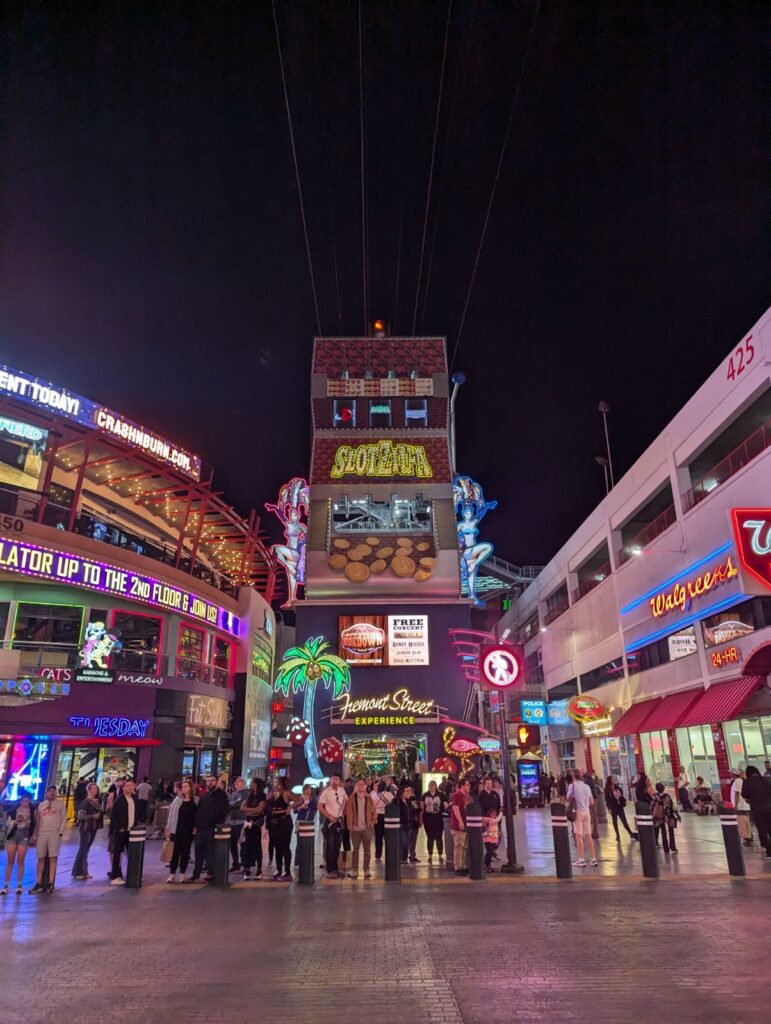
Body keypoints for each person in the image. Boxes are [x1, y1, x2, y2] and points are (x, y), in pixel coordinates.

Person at [189, 774, 228, 882]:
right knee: (198, 852)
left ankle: (210, 873)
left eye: (212, 781)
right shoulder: (204, 796)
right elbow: (199, 811)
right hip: (201, 828)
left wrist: (219, 824)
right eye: (208, 781)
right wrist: (196, 825)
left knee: (210, 852)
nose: (210, 783)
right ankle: (196, 874)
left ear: (216, 782)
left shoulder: (221, 795)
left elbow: (224, 811)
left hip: (212, 828)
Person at [29, 785, 67, 893]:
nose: (51, 793)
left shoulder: (60, 805)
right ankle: (39, 882)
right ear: (46, 793)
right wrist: (36, 834)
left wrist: (60, 832)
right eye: (49, 791)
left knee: (52, 858)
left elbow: (63, 819)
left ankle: (50, 882)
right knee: (41, 857)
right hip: (42, 833)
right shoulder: (41, 805)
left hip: (53, 833)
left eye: (53, 791)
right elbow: (38, 820)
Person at [2, 793, 35, 895]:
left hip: (24, 835)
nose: (25, 803)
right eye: (23, 801)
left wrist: (32, 834)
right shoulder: (14, 810)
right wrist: (15, 821)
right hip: (13, 835)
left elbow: (34, 824)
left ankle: (19, 885)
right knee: (10, 861)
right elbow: (7, 823)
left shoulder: (33, 811)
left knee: (20, 860)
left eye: (27, 801)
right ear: (20, 801)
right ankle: (6, 885)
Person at [166, 779, 197, 882]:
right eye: (183, 786)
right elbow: (171, 814)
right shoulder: (177, 800)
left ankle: (182, 874)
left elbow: (197, 816)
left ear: (190, 788)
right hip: (176, 829)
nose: (183, 788)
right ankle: (172, 874)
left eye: (186, 786)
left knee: (185, 852)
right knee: (175, 853)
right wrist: (168, 828)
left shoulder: (195, 800)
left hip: (188, 831)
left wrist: (195, 827)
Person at [344, 778, 376, 878]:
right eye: (359, 784)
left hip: (366, 828)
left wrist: (372, 822)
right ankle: (354, 870)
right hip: (355, 829)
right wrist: (350, 825)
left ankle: (366, 869)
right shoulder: (351, 798)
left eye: (362, 784)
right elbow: (348, 812)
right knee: (355, 850)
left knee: (367, 850)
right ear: (356, 786)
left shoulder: (369, 797)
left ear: (365, 786)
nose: (361, 786)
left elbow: (373, 810)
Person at [318, 772, 347, 879]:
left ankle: (335, 868)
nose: (334, 781)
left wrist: (343, 814)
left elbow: (346, 801)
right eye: (333, 779)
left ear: (340, 781)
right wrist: (328, 815)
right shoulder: (326, 792)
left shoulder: (342, 791)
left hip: (339, 822)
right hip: (330, 822)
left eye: (337, 779)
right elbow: (320, 806)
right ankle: (330, 870)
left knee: (337, 846)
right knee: (330, 846)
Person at [266, 778, 296, 881]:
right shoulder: (275, 794)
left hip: (284, 823)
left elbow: (299, 800)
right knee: (277, 847)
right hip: (274, 823)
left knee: (285, 846)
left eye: (277, 783)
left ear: (282, 784)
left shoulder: (286, 793)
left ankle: (287, 872)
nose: (275, 785)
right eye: (275, 783)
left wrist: (290, 807)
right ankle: (279, 869)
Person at [109, 779, 137, 884]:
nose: (130, 787)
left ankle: (133, 874)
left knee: (132, 853)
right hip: (121, 831)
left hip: (131, 830)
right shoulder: (119, 800)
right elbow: (114, 816)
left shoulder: (134, 799)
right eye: (128, 786)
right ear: (124, 788)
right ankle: (115, 876)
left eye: (131, 785)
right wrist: (119, 828)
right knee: (118, 853)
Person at [72, 783, 102, 880]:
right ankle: (79, 871)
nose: (95, 790)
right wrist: (92, 816)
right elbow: (80, 816)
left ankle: (82, 871)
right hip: (86, 828)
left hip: (93, 827)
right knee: (83, 849)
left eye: (96, 788)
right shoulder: (86, 802)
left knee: (86, 849)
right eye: (93, 788)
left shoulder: (96, 802)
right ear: (88, 790)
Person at [567, 769, 597, 867]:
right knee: (589, 835)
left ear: (573, 776)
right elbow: (592, 802)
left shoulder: (572, 786)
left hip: (577, 812)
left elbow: (568, 797)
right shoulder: (587, 786)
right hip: (587, 812)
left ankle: (581, 859)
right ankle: (593, 859)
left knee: (579, 836)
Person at [240, 779, 267, 880]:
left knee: (256, 847)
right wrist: (252, 811)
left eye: (252, 783)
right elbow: (242, 808)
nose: (250, 784)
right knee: (247, 846)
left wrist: (248, 811)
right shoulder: (250, 795)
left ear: (256, 784)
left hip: (255, 824)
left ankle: (259, 869)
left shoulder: (262, 795)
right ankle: (247, 869)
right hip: (247, 824)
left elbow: (260, 810)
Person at [743, 765, 771, 857]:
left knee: (761, 828)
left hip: (757, 808)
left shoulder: (747, 782)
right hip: (769, 806)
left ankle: (768, 850)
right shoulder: (766, 779)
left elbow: (745, 794)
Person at [604, 776, 637, 842]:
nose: (614, 780)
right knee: (615, 822)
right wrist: (609, 808)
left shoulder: (617, 787)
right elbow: (607, 800)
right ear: (609, 781)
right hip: (613, 808)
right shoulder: (607, 789)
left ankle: (631, 833)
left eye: (614, 779)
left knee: (624, 821)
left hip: (619, 806)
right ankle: (617, 835)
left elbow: (621, 793)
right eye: (612, 779)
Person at [650, 782, 678, 853]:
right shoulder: (667, 796)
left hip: (659, 816)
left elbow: (651, 807)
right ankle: (673, 847)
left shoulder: (654, 796)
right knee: (671, 830)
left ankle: (666, 848)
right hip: (668, 814)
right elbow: (672, 806)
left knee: (663, 831)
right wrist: (677, 814)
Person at [226, 777, 247, 872]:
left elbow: (237, 803)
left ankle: (244, 863)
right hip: (232, 822)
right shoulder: (233, 794)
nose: (236, 785)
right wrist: (231, 803)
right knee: (232, 844)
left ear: (243, 784)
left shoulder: (245, 794)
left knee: (243, 843)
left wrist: (231, 803)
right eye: (236, 783)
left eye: (238, 783)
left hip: (241, 821)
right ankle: (236, 863)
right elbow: (229, 803)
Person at [450, 779, 470, 876]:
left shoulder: (465, 797)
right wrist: (460, 822)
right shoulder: (458, 795)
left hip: (464, 825)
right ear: (462, 786)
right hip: (458, 826)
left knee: (464, 847)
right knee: (459, 845)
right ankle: (458, 866)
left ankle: (463, 865)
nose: (468, 786)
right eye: (466, 785)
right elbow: (455, 808)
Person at [729, 767, 753, 847]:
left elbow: (737, 793)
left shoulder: (738, 781)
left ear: (734, 774)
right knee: (745, 822)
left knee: (742, 822)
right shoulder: (739, 781)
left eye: (731, 773)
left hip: (741, 805)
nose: (730, 774)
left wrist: (735, 805)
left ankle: (747, 838)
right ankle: (748, 837)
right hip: (742, 805)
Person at [399, 784, 422, 864]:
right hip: (403, 824)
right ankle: (403, 857)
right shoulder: (399, 801)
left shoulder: (411, 800)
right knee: (404, 841)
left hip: (412, 823)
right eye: (406, 791)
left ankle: (408, 856)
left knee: (410, 841)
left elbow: (417, 810)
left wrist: (419, 819)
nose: (408, 792)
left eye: (409, 791)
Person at [421, 780, 444, 859]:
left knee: (439, 836)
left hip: (438, 817)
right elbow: (422, 807)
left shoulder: (440, 795)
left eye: (433, 785)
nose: (431, 787)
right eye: (430, 785)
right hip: (428, 818)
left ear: (435, 786)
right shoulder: (425, 795)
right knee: (430, 837)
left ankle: (440, 854)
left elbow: (445, 805)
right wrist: (421, 817)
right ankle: (430, 855)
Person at [372, 780, 394, 859]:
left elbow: (372, 806)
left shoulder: (374, 795)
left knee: (378, 836)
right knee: (387, 836)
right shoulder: (389, 794)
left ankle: (378, 854)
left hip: (377, 817)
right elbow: (393, 804)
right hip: (387, 816)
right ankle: (389, 853)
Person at [482, 803, 502, 873]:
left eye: (495, 814)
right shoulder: (490, 821)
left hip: (491, 839)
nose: (494, 816)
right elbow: (497, 819)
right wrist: (501, 812)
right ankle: (486, 865)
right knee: (489, 852)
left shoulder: (491, 822)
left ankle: (487, 865)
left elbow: (496, 833)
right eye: (492, 814)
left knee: (489, 852)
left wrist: (496, 841)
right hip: (488, 839)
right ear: (489, 815)